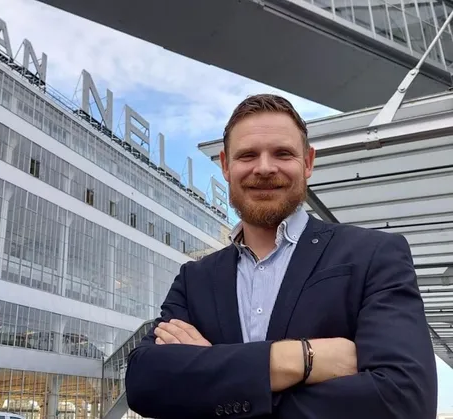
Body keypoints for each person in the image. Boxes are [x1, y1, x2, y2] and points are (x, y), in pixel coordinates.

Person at [125, 94, 437, 419]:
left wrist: (219, 378)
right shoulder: (195, 279)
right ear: (226, 166)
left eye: (282, 153)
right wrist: (300, 358)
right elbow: (144, 381)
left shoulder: (374, 255)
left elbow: (404, 400)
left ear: (308, 162)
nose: (264, 168)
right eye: (248, 155)